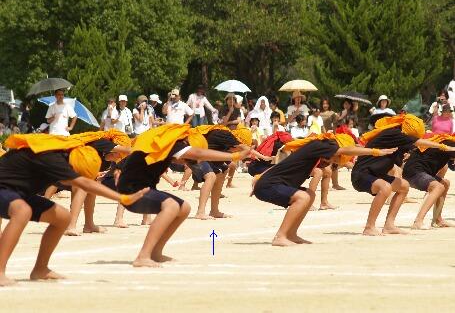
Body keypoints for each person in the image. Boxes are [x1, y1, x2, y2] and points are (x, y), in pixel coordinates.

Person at [0, 132, 148, 286]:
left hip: (18, 192)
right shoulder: (53, 158)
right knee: (22, 211)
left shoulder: (67, 153)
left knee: (63, 217)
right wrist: (122, 198)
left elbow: (85, 183)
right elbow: (86, 184)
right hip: (4, 188)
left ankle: (40, 269)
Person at [116, 124, 251, 266]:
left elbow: (197, 154)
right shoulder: (173, 145)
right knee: (171, 206)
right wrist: (235, 155)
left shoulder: (167, 146)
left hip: (143, 190)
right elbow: (198, 153)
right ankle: (143, 256)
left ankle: (155, 252)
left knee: (184, 208)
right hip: (132, 192)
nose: (185, 162)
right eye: (188, 159)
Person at [252, 133, 395, 246]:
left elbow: (282, 165)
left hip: (269, 182)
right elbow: (346, 149)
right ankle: (280, 236)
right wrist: (376, 151)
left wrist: (259, 177)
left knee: (309, 195)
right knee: (303, 197)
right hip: (269, 185)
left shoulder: (318, 147)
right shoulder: (323, 145)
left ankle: (291, 234)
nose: (336, 161)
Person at [351, 114, 455, 236]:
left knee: (404, 186)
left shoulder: (399, 138)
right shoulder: (393, 134)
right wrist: (442, 146)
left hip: (375, 174)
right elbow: (420, 142)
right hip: (362, 174)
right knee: (385, 188)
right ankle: (369, 227)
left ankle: (389, 225)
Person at [402, 134, 455, 229]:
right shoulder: (450, 143)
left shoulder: (448, 141)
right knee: (438, 187)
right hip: (414, 172)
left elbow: (452, 166)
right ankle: (418, 221)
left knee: (445, 183)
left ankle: (438, 220)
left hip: (418, 171)